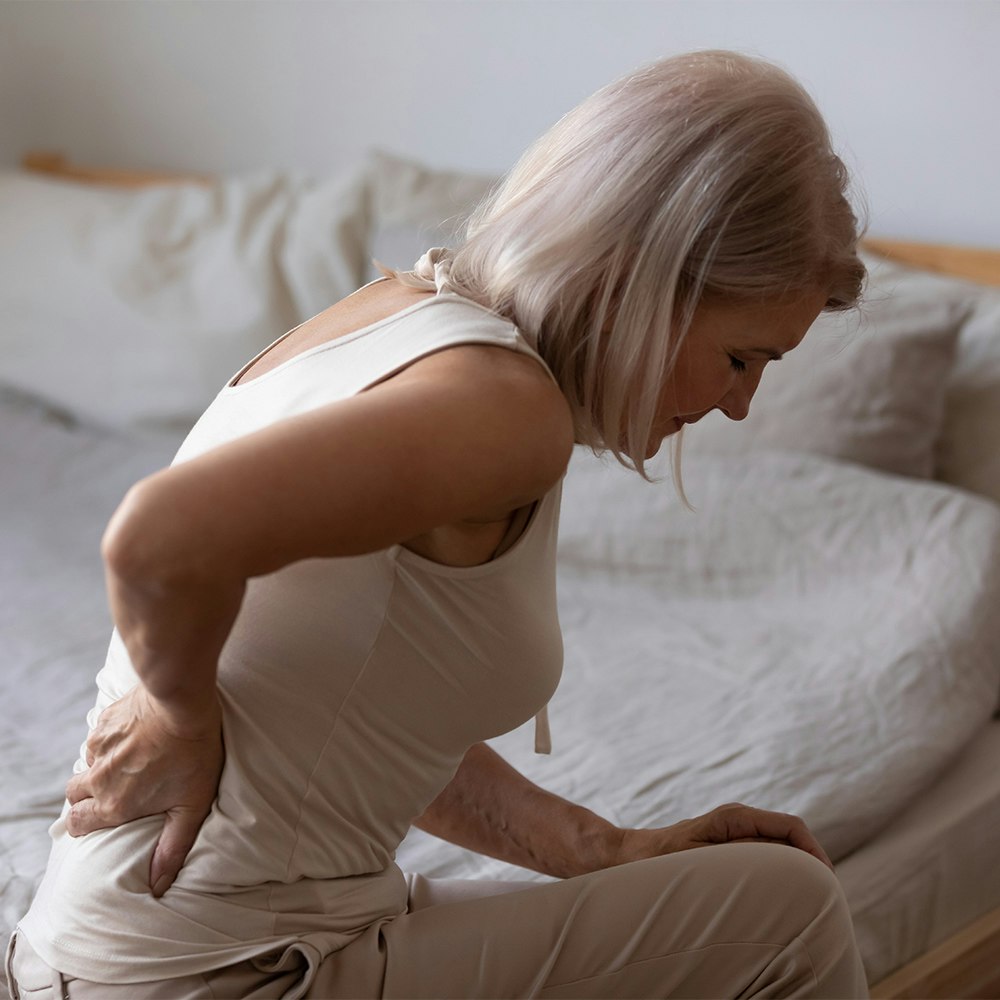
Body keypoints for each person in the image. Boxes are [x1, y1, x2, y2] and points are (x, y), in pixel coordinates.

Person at [7, 49, 869, 999]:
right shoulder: (505, 412)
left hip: (97, 957)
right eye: (743, 358)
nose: (739, 406)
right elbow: (157, 538)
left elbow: (356, 710)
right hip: (223, 972)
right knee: (788, 906)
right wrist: (179, 713)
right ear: (648, 277)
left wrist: (606, 848)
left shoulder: (396, 314)